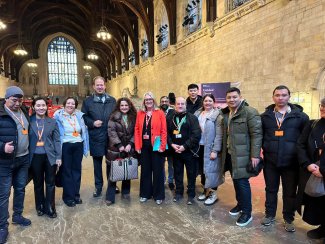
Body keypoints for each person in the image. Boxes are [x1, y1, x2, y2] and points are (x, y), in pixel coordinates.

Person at [260, 85, 309, 232]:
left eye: (284, 95)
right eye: (277, 95)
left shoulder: (301, 117)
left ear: (289, 97)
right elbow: (260, 136)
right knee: (270, 189)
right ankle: (269, 215)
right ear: (273, 97)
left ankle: (289, 218)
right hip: (271, 161)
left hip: (291, 162)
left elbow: (304, 141)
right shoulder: (265, 117)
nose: (280, 98)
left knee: (289, 192)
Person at [220, 87, 262, 227]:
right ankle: (240, 204)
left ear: (240, 97)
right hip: (231, 155)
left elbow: (256, 134)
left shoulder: (250, 112)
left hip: (244, 155)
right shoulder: (227, 113)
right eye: (229, 98)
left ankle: (247, 213)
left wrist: (255, 155)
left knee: (243, 183)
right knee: (236, 182)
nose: (231, 100)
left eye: (234, 97)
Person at [0, 86, 31, 244]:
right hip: (5, 162)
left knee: (20, 189)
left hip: (23, 159)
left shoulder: (24, 110)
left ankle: (17, 216)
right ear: (6, 99)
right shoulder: (1, 114)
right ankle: (2, 227)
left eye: (20, 100)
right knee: (4, 195)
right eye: (14, 100)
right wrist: (2, 147)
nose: (18, 103)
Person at [81, 76, 116, 198]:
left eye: (102, 85)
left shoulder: (112, 100)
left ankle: (112, 184)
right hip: (96, 136)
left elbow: (117, 115)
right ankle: (98, 186)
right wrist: (92, 123)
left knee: (111, 162)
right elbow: (84, 117)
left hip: (111, 137)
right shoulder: (88, 102)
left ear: (105, 86)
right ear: (94, 86)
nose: (100, 87)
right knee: (97, 164)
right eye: (98, 85)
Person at [296, 97, 325, 241]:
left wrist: (323, 170)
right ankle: (322, 227)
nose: (323, 108)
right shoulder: (313, 124)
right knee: (317, 202)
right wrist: (307, 164)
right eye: (322, 106)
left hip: (322, 171)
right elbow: (300, 144)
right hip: (313, 170)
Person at [29, 97, 62, 218]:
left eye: (43, 105)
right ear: (33, 107)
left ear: (47, 107)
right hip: (35, 157)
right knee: (38, 183)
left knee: (50, 183)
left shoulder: (52, 122)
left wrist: (59, 156)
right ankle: (40, 206)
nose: (41, 108)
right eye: (38, 105)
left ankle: (50, 206)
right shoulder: (28, 121)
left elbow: (57, 140)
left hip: (50, 156)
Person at [54, 97, 89, 207]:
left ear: (75, 105)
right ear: (64, 104)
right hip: (65, 145)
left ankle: (76, 195)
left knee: (76, 170)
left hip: (78, 144)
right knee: (67, 171)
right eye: (68, 103)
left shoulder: (79, 116)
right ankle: (68, 197)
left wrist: (85, 145)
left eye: (73, 103)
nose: (70, 105)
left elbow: (83, 131)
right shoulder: (58, 116)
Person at [134, 92, 167, 205]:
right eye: (146, 99)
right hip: (144, 146)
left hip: (156, 146)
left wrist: (162, 146)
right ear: (144, 101)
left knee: (158, 171)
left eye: (150, 99)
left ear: (154, 100)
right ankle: (145, 194)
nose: (148, 101)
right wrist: (137, 146)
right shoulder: (140, 113)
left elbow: (163, 130)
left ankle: (158, 195)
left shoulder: (160, 113)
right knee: (145, 171)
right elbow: (137, 130)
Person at [167, 97, 201, 205]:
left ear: (185, 105)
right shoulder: (170, 118)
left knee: (191, 174)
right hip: (175, 151)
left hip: (189, 152)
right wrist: (172, 144)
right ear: (175, 105)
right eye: (178, 104)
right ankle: (179, 193)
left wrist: (184, 146)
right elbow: (166, 134)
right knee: (177, 173)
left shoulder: (192, 118)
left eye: (182, 104)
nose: (180, 106)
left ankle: (191, 194)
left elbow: (196, 135)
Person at [105, 98, 137, 205]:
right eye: (122, 105)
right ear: (119, 106)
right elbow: (111, 131)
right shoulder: (113, 117)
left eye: (126, 105)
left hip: (128, 148)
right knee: (113, 173)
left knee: (127, 170)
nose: (124, 107)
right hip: (115, 149)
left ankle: (126, 192)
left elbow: (136, 132)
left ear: (130, 106)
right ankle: (110, 196)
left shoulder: (133, 117)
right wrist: (119, 145)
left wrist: (130, 144)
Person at [194, 94, 223, 205]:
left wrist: (215, 150)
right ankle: (205, 190)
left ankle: (213, 193)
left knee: (212, 171)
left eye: (210, 101)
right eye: (206, 101)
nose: (207, 103)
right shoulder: (198, 114)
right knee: (203, 170)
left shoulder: (217, 115)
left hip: (210, 148)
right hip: (199, 147)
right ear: (203, 102)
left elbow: (219, 135)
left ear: (214, 102)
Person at [160, 96, 175, 190]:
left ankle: (170, 180)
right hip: (160, 141)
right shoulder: (157, 111)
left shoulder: (173, 112)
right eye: (162, 101)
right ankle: (162, 180)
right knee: (161, 162)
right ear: (160, 103)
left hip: (170, 141)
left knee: (171, 163)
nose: (164, 103)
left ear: (169, 102)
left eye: (166, 101)